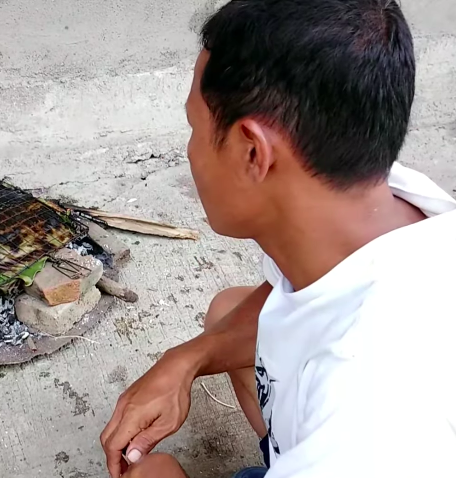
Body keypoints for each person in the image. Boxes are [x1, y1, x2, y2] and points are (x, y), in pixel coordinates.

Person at [99, 0, 456, 477]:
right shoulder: (385, 192)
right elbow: (292, 301)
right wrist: (185, 360)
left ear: (253, 152)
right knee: (228, 311)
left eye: (194, 129)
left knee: (151, 472)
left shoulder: (369, 417)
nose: (189, 151)